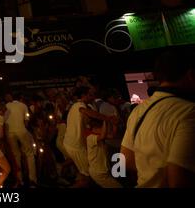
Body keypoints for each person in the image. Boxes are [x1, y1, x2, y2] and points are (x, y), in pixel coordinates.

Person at [121, 50, 195, 187]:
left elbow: (125, 160)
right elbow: (179, 180)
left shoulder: (139, 110)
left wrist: (151, 170)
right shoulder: (188, 111)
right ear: (191, 75)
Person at [63, 86, 117, 187]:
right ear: (84, 95)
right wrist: (107, 119)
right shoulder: (79, 105)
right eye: (90, 94)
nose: (93, 97)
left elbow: (107, 133)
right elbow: (90, 113)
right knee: (87, 177)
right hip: (76, 146)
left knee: (84, 174)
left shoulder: (80, 107)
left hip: (73, 144)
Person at [4, 93, 37, 187]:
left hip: (10, 132)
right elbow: (27, 121)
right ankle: (32, 179)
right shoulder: (23, 106)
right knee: (29, 154)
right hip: (21, 130)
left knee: (16, 155)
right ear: (20, 98)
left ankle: (19, 180)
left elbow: (4, 120)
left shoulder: (7, 106)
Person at [86, 118, 122, 188]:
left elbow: (112, 136)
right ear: (95, 129)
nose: (103, 130)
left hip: (102, 171)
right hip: (98, 173)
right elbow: (102, 136)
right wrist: (105, 120)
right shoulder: (90, 138)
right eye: (101, 128)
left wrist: (115, 124)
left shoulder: (97, 137)